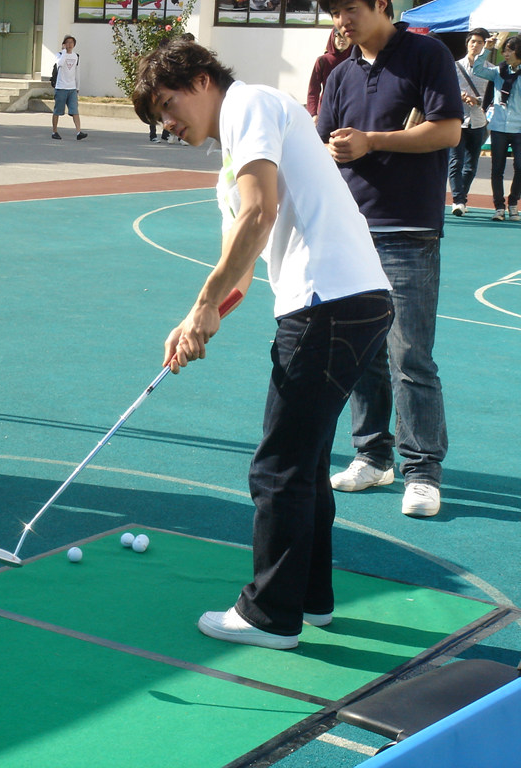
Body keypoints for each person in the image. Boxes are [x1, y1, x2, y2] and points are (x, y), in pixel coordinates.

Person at [131, 39, 392, 650]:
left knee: (278, 467)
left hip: (328, 304)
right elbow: (242, 268)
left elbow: (259, 216)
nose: (168, 124)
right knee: (303, 465)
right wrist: (198, 319)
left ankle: (269, 615)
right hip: (351, 302)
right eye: (158, 120)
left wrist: (202, 306)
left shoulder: (248, 104)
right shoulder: (235, 154)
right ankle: (309, 599)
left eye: (168, 106)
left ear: (200, 80)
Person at [316, 0, 461, 518]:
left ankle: (422, 471)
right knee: (362, 354)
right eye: (334, 12)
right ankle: (373, 455)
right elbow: (322, 142)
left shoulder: (426, 54)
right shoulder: (340, 74)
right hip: (350, 231)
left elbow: (447, 130)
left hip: (407, 231)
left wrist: (371, 141)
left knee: (410, 355)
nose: (342, 20)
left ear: (382, 5)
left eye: (350, 8)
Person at [472, 34, 521, 222]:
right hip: (499, 126)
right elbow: (477, 69)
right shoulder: (498, 71)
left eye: (510, 50)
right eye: (505, 50)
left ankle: (514, 201)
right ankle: (499, 207)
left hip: (519, 128)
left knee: (520, 166)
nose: (506, 54)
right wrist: (487, 49)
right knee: (497, 168)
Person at [448, 28, 493, 217]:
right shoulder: (454, 65)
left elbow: (492, 97)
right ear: (467, 43)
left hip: (478, 121)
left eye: (479, 42)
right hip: (457, 120)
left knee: (471, 165)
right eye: (472, 41)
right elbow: (446, 89)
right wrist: (460, 95)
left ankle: (461, 198)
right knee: (455, 162)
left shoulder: (490, 69)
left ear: (485, 45)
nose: (475, 45)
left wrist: (478, 101)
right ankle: (458, 200)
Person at [305, 28, 350, 122]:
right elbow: (313, 89)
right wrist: (313, 114)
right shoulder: (323, 61)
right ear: (332, 38)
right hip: (327, 110)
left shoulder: (356, 61)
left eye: (346, 36)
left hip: (349, 111)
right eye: (339, 36)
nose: (342, 40)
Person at [51, 35, 87, 141]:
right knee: (57, 111)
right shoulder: (59, 55)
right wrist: (64, 52)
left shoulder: (76, 56)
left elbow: (77, 72)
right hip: (61, 87)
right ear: (64, 44)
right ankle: (54, 131)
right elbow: (60, 64)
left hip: (72, 88)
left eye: (71, 42)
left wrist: (77, 87)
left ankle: (79, 132)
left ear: (74, 44)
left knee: (74, 110)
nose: (69, 44)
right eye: (67, 42)